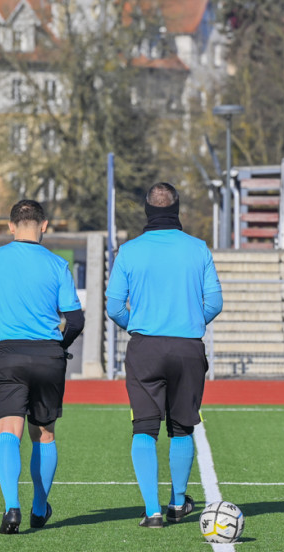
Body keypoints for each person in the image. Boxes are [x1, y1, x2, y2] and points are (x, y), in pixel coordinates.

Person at [105, 182, 223, 528]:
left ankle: (152, 510)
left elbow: (113, 306)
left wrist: (136, 325)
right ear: (177, 209)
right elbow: (214, 302)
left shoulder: (129, 251)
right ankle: (176, 502)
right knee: (181, 426)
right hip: (187, 346)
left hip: (146, 346)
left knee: (144, 426)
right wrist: (188, 323)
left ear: (147, 210)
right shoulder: (198, 248)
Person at [0, 199, 85, 534]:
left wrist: (7, 329)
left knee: (9, 430)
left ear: (10, 226)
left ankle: (11, 509)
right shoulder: (57, 264)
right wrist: (57, 347)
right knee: (44, 433)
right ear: (44, 225)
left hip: (7, 355)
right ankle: (38, 507)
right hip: (48, 357)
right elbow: (75, 321)